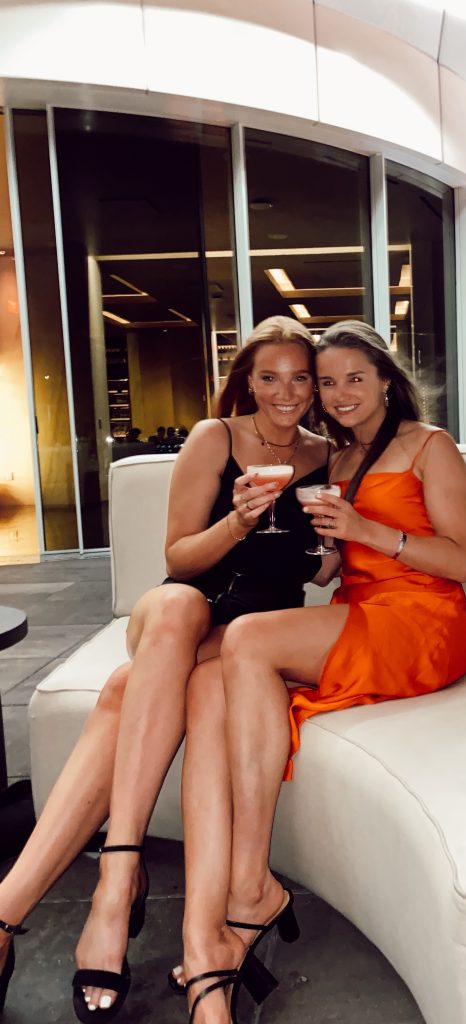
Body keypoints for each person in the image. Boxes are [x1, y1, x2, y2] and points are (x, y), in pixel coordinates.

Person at [0, 316, 334, 1022]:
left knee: (125, 693)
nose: (285, 391)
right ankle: (119, 872)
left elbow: (320, 570)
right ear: (245, 380)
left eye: (300, 377)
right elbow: (178, 558)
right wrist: (239, 522)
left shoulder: (325, 455)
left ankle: (17, 913)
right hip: (181, 613)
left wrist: (332, 554)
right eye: (268, 377)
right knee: (180, 609)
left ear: (315, 385)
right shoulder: (218, 438)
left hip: (249, 630)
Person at [176, 320, 466, 1024]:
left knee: (246, 641)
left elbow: (460, 561)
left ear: (386, 380)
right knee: (200, 679)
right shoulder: (335, 461)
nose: (340, 394)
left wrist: (370, 531)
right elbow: (331, 567)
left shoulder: (431, 447)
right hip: (361, 608)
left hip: (424, 621)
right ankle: (225, 896)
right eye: (329, 381)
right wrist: (283, 534)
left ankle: (249, 886)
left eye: (354, 378)